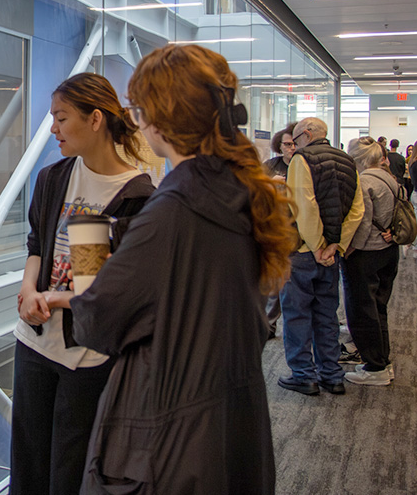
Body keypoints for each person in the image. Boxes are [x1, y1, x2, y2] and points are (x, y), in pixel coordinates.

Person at [57, 44, 296, 493]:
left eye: (140, 107)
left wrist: (85, 281)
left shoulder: (172, 210)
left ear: (159, 119)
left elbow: (99, 322)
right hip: (231, 419)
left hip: (170, 436)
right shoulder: (241, 189)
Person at [12, 72, 155, 495]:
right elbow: (37, 244)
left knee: (70, 470)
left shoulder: (138, 196)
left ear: (96, 120)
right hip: (34, 340)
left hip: (88, 355)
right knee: (28, 464)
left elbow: (114, 294)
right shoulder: (53, 177)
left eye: (61, 117)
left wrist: (55, 298)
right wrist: (27, 290)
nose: (53, 128)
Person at [278, 117, 364, 396]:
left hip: (304, 253)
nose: (293, 146)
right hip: (330, 256)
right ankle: (332, 374)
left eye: (295, 139)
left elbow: (305, 205)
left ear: (306, 135)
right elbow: (357, 209)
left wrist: (317, 246)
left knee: (297, 315)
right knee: (326, 316)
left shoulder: (302, 160)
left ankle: (304, 375)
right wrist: (335, 247)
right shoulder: (348, 160)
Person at [341, 137, 398, 386]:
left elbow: (362, 221)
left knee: (362, 310)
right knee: (379, 308)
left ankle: (374, 367)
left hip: (367, 253)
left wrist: (348, 248)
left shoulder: (364, 181)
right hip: (388, 250)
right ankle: (382, 362)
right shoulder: (391, 178)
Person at [261, 122, 297, 338]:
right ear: (279, 145)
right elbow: (255, 193)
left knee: (296, 285)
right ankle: (269, 325)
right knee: (274, 284)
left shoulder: (304, 165)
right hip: (276, 227)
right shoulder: (270, 166)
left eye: (294, 144)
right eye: (287, 144)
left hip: (298, 230)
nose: (290, 148)